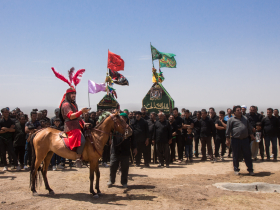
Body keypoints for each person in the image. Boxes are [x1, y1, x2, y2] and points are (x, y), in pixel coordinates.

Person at [59, 87, 90, 168]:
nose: (74, 95)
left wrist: (84, 123)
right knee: (82, 140)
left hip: (77, 125)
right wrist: (81, 111)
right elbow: (71, 116)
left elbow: (78, 117)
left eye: (75, 94)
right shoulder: (66, 104)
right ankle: (78, 158)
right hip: (71, 126)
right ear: (68, 95)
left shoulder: (74, 104)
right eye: (72, 94)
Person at [108, 113, 137, 188]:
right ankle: (111, 180)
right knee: (113, 166)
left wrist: (135, 148)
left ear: (126, 119)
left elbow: (133, 139)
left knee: (124, 168)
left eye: (123, 118)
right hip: (115, 150)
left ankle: (124, 182)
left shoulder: (129, 128)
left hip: (125, 150)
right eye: (120, 118)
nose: (121, 119)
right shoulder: (115, 127)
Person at [226, 105, 255, 176]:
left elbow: (248, 128)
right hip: (235, 140)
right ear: (234, 112)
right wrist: (227, 139)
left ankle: (250, 170)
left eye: (240, 110)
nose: (240, 111)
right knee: (236, 155)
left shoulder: (245, 118)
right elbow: (228, 130)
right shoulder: (231, 120)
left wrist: (251, 135)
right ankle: (236, 169)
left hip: (245, 140)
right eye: (238, 110)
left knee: (247, 155)